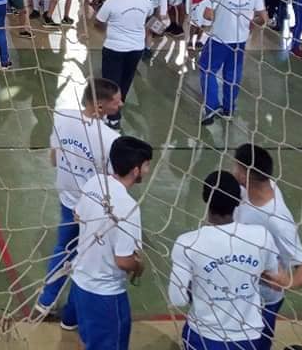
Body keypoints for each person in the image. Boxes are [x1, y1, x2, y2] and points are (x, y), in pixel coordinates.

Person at [33, 78, 123, 324]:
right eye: (116, 100)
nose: (121, 103)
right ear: (100, 106)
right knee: (87, 261)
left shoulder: (62, 117)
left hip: (66, 198)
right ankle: (71, 316)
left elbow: (53, 158)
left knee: (62, 249)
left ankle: (45, 301)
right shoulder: (110, 138)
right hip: (91, 209)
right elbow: (111, 181)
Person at [168, 169, 288, 350]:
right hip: (250, 336)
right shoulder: (261, 236)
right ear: (239, 199)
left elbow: (178, 299)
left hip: (204, 336)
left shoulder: (187, 242)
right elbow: (274, 276)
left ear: (205, 199)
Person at [68, 136, 152, 350]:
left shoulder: (95, 181)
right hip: (105, 294)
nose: (148, 170)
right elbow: (123, 261)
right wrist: (139, 267)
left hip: (80, 281)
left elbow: (77, 215)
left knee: (88, 340)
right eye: (147, 165)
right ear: (136, 170)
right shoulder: (129, 207)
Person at [232, 144, 302, 350]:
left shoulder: (276, 219)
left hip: (262, 301)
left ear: (247, 173)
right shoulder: (258, 187)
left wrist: (288, 282)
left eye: (237, 168)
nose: (234, 171)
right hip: (240, 288)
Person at [199, 0, 267, 125]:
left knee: (207, 70)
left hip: (219, 38)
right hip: (239, 40)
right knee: (232, 74)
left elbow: (208, 13)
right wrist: (250, 22)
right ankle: (229, 109)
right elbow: (263, 18)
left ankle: (212, 107)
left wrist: (213, 18)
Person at [96, 0, 153, 130]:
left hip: (114, 48)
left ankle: (113, 116)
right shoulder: (145, 1)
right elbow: (149, 16)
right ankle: (116, 107)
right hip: (136, 48)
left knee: (111, 83)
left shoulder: (112, 2)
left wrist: (108, 25)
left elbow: (99, 22)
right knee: (125, 81)